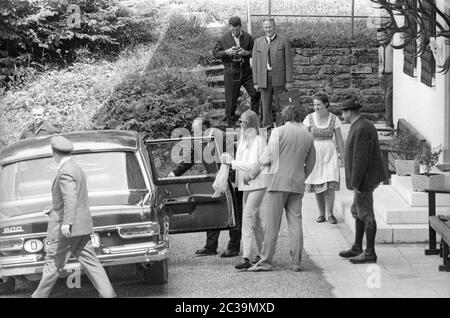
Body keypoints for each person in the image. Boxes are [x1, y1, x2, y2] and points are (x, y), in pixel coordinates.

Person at [32, 136, 116, 298]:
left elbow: (70, 198)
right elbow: (73, 198)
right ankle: (109, 295)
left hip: (68, 230)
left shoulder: (65, 172)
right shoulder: (76, 168)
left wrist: (66, 223)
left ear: (54, 154)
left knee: (53, 265)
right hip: (82, 227)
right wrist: (54, 209)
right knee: (92, 265)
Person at [246, 106, 316, 272]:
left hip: (277, 182)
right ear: (298, 116)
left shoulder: (278, 132)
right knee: (296, 223)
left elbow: (268, 156)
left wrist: (252, 174)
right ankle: (296, 263)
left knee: (272, 225)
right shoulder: (308, 136)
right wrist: (302, 177)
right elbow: (312, 162)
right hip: (297, 183)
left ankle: (266, 261)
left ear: (284, 117)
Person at [168, 117, 243, 258]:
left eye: (194, 130)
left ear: (204, 129)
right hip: (215, 180)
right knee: (213, 211)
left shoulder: (220, 137)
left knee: (235, 213)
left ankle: (233, 247)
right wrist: (174, 173)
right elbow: (188, 161)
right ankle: (210, 246)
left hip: (231, 180)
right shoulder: (199, 141)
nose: (192, 132)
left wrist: (230, 181)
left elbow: (230, 160)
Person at [338, 96, 388, 264]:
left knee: (366, 214)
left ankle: (370, 252)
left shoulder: (361, 128)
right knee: (357, 211)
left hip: (364, 180)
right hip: (362, 180)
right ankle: (357, 246)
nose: (341, 116)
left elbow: (360, 159)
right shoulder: (360, 125)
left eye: (343, 113)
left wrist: (356, 183)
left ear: (350, 112)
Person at [221, 110, 268, 270]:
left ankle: (246, 257)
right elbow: (242, 163)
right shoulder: (242, 139)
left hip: (258, 183)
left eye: (245, 122)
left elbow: (255, 165)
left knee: (247, 218)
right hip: (245, 184)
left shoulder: (259, 141)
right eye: (241, 122)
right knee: (256, 221)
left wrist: (233, 163)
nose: (241, 125)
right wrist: (231, 162)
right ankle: (263, 254)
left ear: (252, 124)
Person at [303, 93, 345, 224]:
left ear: (326, 104)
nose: (315, 107)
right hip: (315, 152)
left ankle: (330, 213)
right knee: (318, 182)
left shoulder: (334, 119)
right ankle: (321, 213)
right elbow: (304, 138)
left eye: (318, 104)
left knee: (330, 182)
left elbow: (339, 139)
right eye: (314, 104)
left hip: (329, 151)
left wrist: (343, 157)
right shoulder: (309, 118)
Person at [213, 16, 260, 126]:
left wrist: (245, 53)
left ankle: (253, 119)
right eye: (232, 30)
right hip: (231, 71)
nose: (234, 32)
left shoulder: (248, 37)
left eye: (236, 30)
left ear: (240, 27)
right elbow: (215, 53)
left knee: (255, 93)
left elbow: (255, 52)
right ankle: (231, 123)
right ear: (229, 27)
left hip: (246, 71)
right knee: (231, 100)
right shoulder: (223, 38)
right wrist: (227, 52)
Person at [252, 18, 293, 128]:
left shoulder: (283, 41)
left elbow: (289, 62)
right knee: (265, 106)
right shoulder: (258, 42)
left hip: (280, 77)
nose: (268, 29)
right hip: (264, 78)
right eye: (265, 27)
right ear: (263, 28)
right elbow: (255, 64)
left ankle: (281, 127)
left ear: (274, 27)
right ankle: (267, 128)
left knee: (281, 105)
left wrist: (288, 80)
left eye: (270, 27)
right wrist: (255, 81)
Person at [377, 28, 394, 131]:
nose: (380, 38)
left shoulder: (392, 47)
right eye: (378, 36)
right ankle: (388, 123)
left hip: (392, 75)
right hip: (383, 77)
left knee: (388, 100)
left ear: (387, 35)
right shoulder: (379, 48)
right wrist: (379, 74)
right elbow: (380, 62)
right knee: (386, 100)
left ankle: (389, 126)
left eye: (383, 36)